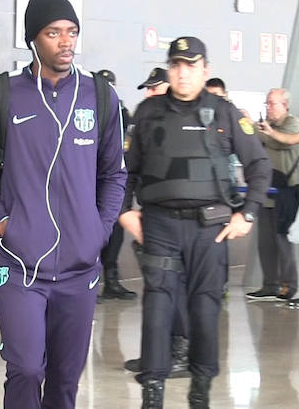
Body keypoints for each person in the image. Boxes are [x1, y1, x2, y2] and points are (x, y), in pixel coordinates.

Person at [0, 0, 126, 409]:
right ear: (33, 40)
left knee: (65, 380)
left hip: (79, 268)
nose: (65, 41)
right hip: (18, 266)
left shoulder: (100, 97)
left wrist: (99, 229)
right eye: (53, 33)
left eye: (71, 32)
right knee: (26, 367)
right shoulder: (1, 96)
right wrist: (3, 223)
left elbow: (114, 174)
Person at [118, 36, 270, 408]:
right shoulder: (148, 112)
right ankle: (152, 392)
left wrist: (247, 213)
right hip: (160, 226)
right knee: (158, 306)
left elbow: (259, 166)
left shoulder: (226, 112)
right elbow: (126, 171)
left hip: (210, 231)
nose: (182, 73)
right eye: (176, 66)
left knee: (204, 309)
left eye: (190, 66)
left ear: (206, 70)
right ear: (169, 69)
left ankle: (200, 389)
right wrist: (123, 211)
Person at [250, 88, 299, 301]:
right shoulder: (265, 128)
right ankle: (270, 284)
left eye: (273, 103)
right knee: (265, 242)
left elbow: (279, 141)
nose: (269, 107)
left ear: (285, 106)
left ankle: (289, 285)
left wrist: (251, 127)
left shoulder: (293, 124)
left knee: (283, 241)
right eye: (267, 103)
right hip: (266, 192)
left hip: (287, 193)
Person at [96, 69, 137, 300]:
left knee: (116, 234)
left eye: (110, 85)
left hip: (114, 182)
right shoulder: (85, 111)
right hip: (89, 183)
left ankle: (112, 281)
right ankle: (88, 282)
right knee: (90, 234)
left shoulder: (123, 113)